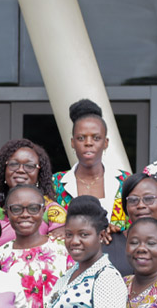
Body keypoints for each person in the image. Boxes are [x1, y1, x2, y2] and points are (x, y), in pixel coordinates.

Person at [52, 99, 131, 232]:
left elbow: (135, 225)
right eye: (81, 138)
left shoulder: (125, 181)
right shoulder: (55, 183)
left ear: (105, 143)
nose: (88, 143)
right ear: (72, 142)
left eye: (96, 138)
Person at [102, 173, 157, 276]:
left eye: (149, 199)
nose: (141, 205)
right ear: (125, 206)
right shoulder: (108, 242)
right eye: (133, 200)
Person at [0, 138, 65, 245]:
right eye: (13, 164)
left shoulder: (52, 211)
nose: (20, 170)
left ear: (39, 174)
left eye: (29, 166)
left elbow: (58, 250)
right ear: (4, 170)